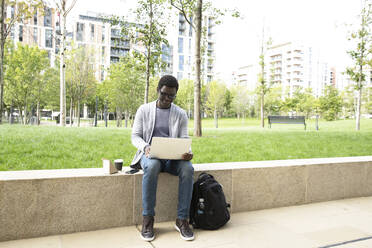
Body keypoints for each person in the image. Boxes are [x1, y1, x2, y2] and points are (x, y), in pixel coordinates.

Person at [130, 75, 194, 242]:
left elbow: (184, 138)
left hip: (172, 158)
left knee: (188, 169)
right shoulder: (144, 110)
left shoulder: (180, 114)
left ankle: (182, 220)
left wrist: (188, 152)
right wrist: (146, 147)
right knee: (151, 167)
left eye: (171, 96)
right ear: (158, 90)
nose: (167, 99)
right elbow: (135, 136)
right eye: (164, 94)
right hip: (150, 156)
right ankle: (148, 219)